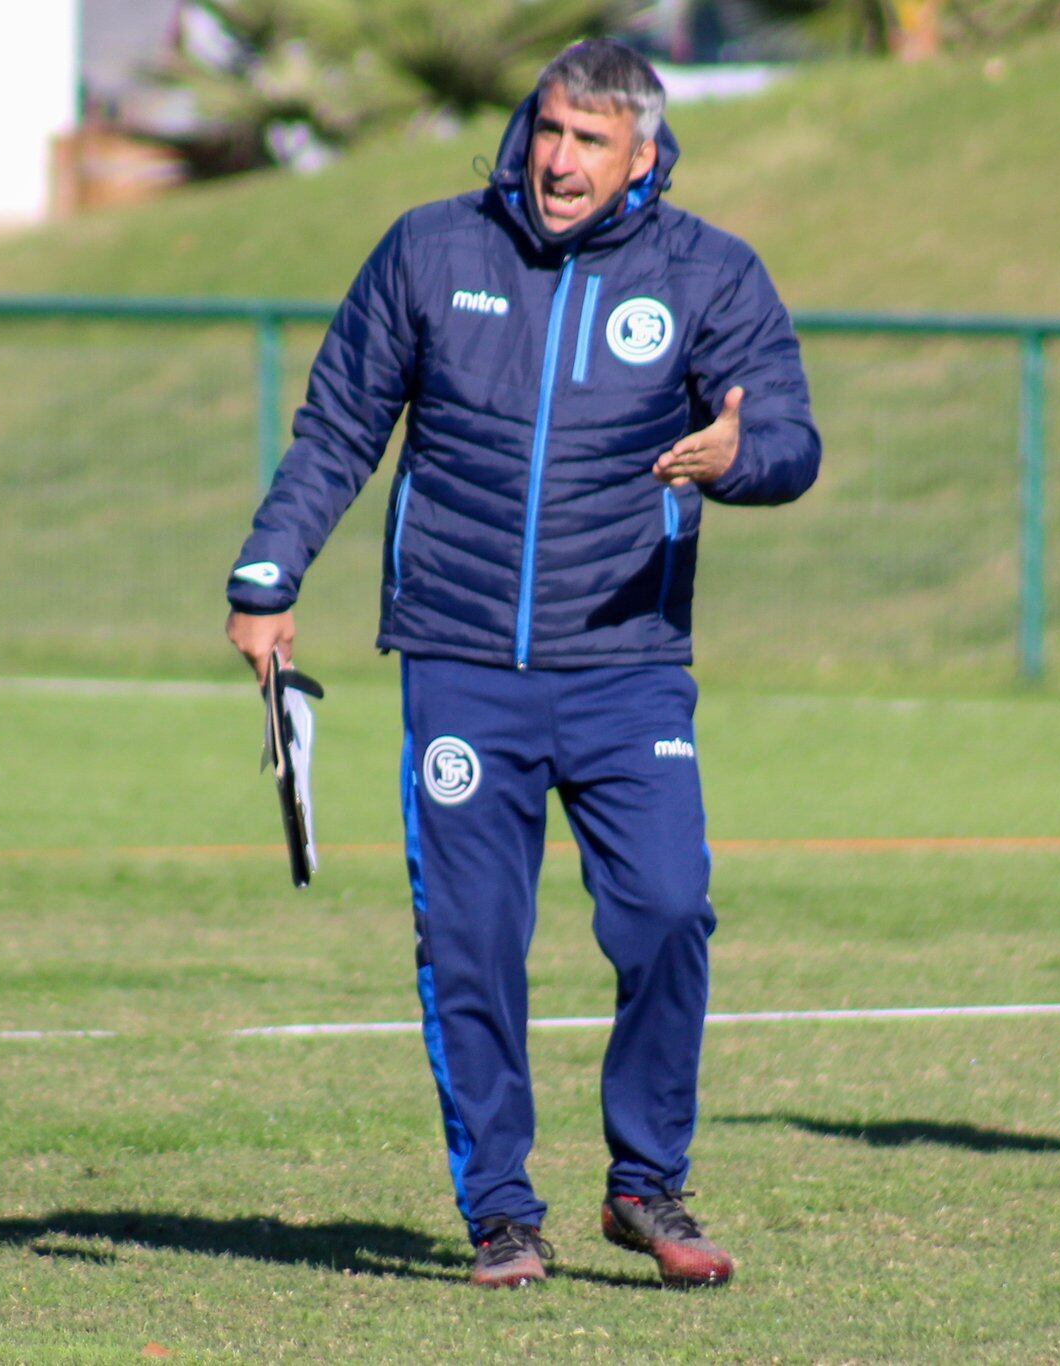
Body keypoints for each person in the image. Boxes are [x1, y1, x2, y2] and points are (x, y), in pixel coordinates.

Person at [224, 40, 820, 1283]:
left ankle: (647, 1185)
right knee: (472, 941)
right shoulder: (431, 249)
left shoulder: (708, 271)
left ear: (641, 155)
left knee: (664, 911)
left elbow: (787, 436)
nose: (557, 160)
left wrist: (737, 461)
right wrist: (269, 574)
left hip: (626, 664)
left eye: (589, 142)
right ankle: (500, 1208)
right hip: (459, 661)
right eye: (548, 130)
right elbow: (340, 422)